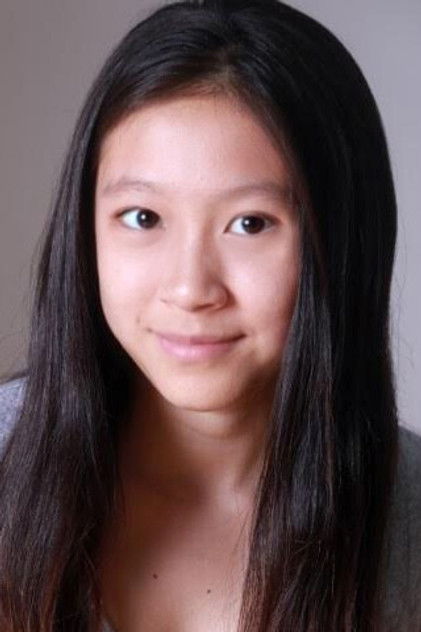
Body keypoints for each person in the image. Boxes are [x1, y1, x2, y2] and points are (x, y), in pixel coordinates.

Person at [0, 0, 420, 630]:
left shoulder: (405, 525)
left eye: (250, 224)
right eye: (143, 217)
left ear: (343, 240)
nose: (190, 288)